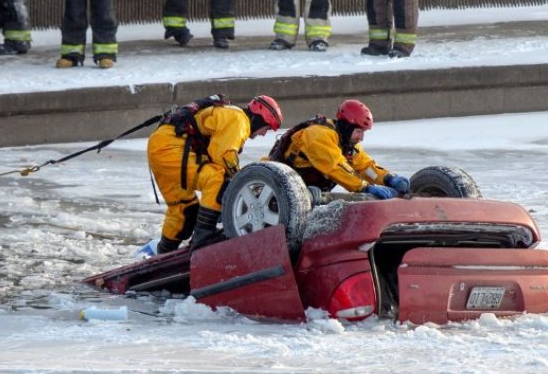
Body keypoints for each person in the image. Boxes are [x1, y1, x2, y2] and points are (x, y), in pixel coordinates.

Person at [149, 95, 284, 254]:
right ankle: (202, 240)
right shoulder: (239, 119)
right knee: (218, 179)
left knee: (184, 210)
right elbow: (222, 154)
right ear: (261, 119)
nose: (263, 134)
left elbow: (217, 152)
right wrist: (241, 181)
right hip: (171, 148)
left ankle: (162, 255)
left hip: (160, 146)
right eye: (267, 128)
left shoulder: (231, 115)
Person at [270, 99, 410, 199]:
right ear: (347, 126)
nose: (361, 138)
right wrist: (364, 187)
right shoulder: (318, 135)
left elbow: (365, 167)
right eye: (359, 132)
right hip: (276, 188)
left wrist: (389, 179)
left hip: (304, 191)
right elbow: (335, 166)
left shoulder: (346, 142)